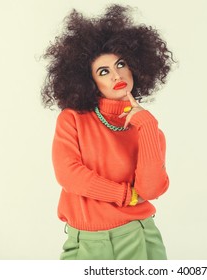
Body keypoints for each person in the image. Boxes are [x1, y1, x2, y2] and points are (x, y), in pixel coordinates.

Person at [41, 4, 174, 260]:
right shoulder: (72, 120)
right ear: (89, 80)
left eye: (121, 64)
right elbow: (69, 175)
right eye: (104, 71)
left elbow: (151, 190)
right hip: (83, 241)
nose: (116, 75)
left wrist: (146, 125)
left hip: (138, 237)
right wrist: (124, 194)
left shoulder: (148, 128)